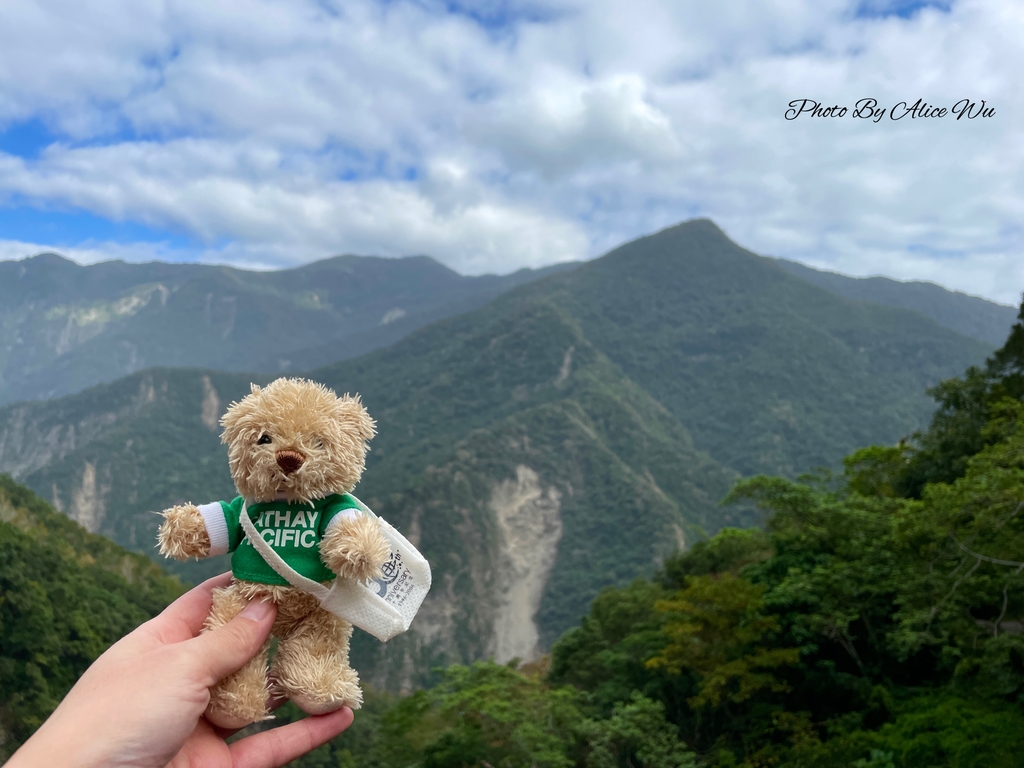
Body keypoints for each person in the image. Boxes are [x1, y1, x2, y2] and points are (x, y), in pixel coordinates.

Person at [6, 572, 353, 768]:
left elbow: (355, 541)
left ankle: (313, 675)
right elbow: (210, 525)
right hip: (250, 592)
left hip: (315, 600)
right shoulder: (249, 513)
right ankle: (235, 694)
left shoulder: (336, 510)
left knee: (322, 624)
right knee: (231, 621)